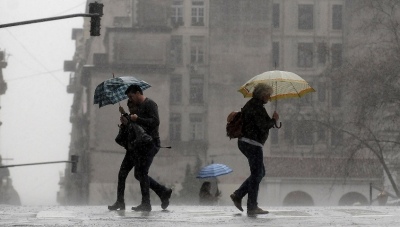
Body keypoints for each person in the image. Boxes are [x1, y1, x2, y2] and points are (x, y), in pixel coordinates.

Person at [230, 83, 279, 215]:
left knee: (260, 173)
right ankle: (251, 206)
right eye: (268, 94)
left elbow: (260, 123)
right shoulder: (256, 107)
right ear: (262, 94)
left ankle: (239, 195)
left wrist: (272, 120)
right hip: (251, 143)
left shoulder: (254, 105)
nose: (269, 97)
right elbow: (263, 125)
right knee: (257, 174)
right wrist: (273, 120)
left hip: (249, 143)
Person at [124, 84, 172, 212]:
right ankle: (163, 192)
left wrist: (138, 118)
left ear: (139, 93)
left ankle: (147, 203)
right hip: (142, 144)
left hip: (151, 143)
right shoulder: (138, 107)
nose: (130, 99)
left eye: (131, 96)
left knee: (141, 172)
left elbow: (155, 122)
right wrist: (127, 119)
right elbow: (138, 127)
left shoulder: (150, 104)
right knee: (139, 174)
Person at [108, 100, 138, 210]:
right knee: (122, 175)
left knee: (141, 176)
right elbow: (121, 138)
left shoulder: (139, 117)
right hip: (130, 151)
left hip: (138, 151)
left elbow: (138, 130)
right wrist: (123, 126)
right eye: (129, 107)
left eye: (132, 107)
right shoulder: (129, 118)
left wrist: (128, 123)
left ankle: (160, 191)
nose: (131, 109)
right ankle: (120, 201)